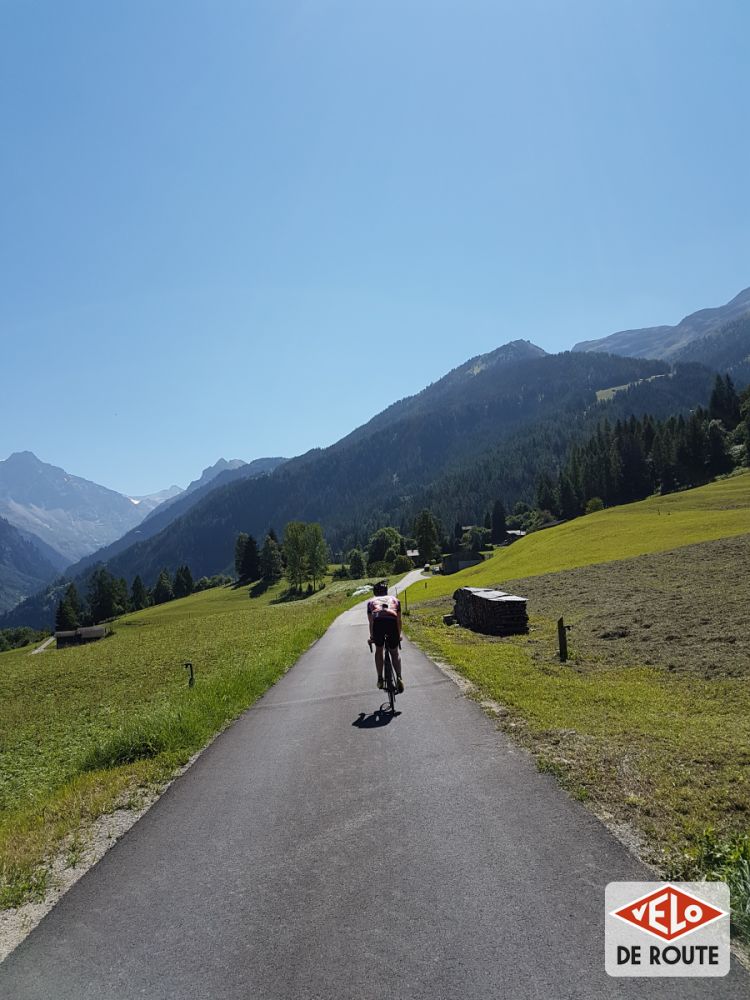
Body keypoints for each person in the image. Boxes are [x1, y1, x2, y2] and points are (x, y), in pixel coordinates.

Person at [367, 584, 404, 692]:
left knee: (379, 650)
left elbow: (371, 622)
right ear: (386, 591)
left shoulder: (371, 602)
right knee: (394, 652)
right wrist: (399, 635)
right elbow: (399, 620)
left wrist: (372, 637)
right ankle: (399, 677)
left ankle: (380, 678)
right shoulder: (395, 600)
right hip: (392, 622)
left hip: (378, 623)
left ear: (375, 592)